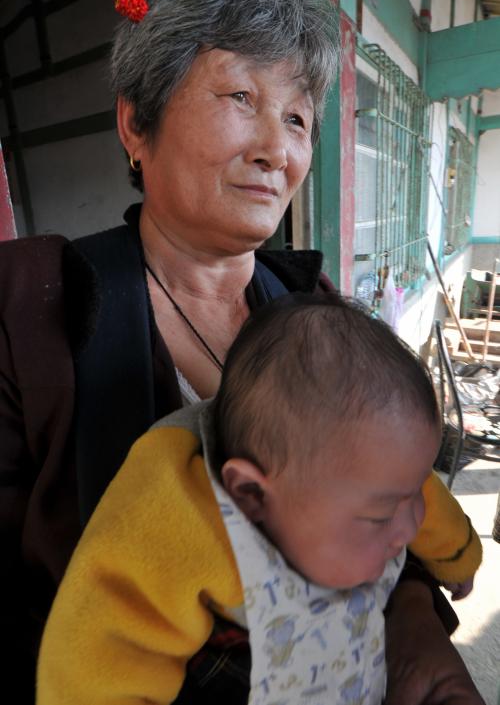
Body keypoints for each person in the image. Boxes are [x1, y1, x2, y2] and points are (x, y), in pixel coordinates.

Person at [0, 0, 484, 703]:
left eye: (297, 117)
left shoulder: (314, 308)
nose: (277, 149)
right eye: (239, 96)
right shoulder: (30, 305)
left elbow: (383, 496)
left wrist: (414, 621)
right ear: (136, 122)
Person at [37, 292, 482, 705]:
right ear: (250, 494)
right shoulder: (180, 531)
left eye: (410, 496)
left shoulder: (370, 458)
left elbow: (420, 490)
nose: (409, 527)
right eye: (383, 514)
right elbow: (100, 655)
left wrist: (455, 558)